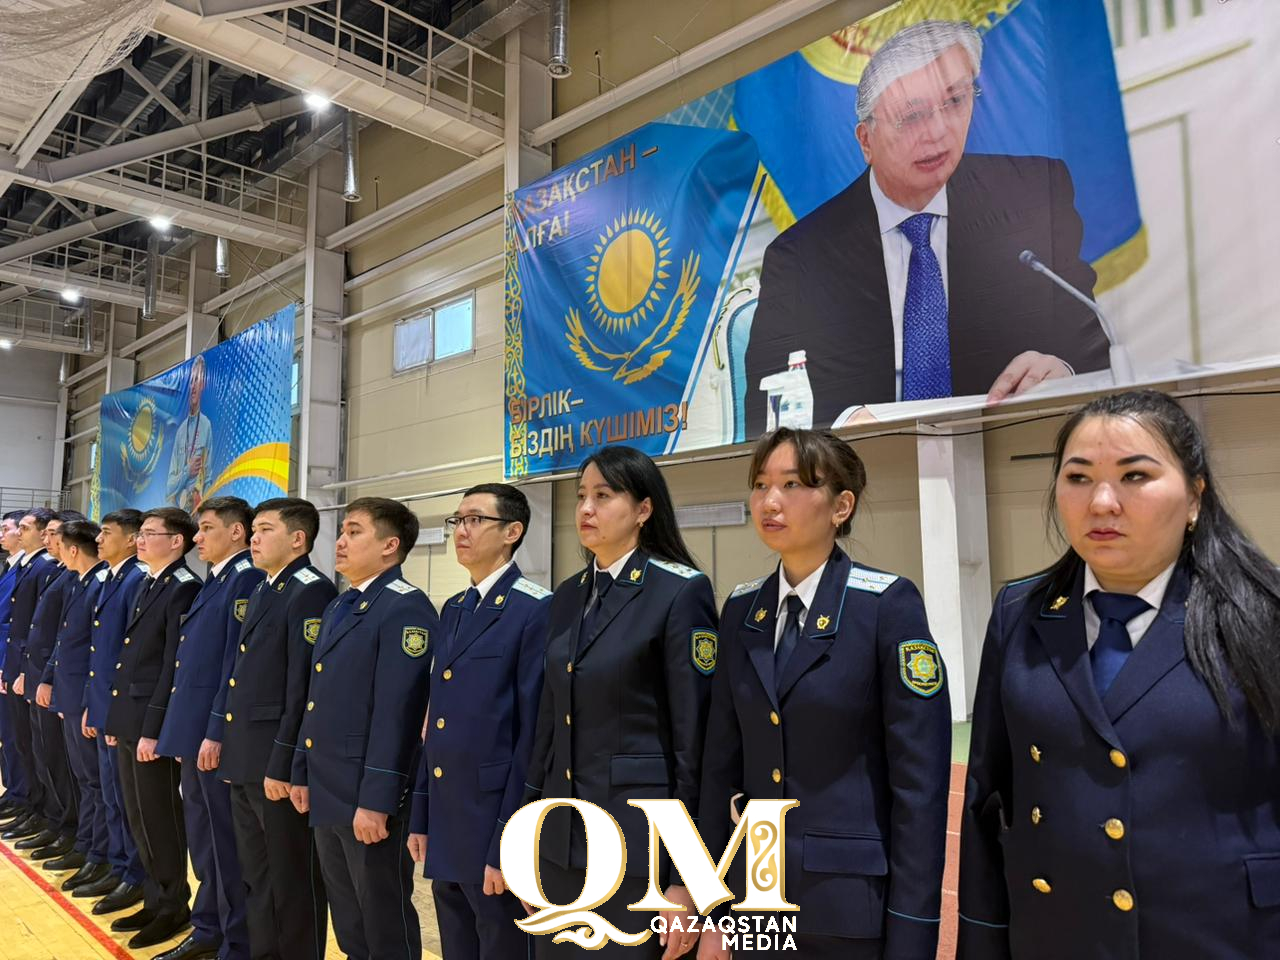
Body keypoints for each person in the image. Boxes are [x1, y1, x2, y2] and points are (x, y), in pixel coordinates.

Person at [958, 390, 1280, 960]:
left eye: (1135, 476)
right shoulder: (1020, 614)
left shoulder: (1261, 613)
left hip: (1223, 936)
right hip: (1057, 937)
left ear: (1194, 498)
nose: (1102, 502)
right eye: (1078, 478)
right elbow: (989, 799)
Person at [744, 19, 1110, 435]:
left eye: (955, 101)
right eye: (912, 115)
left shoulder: (1031, 197)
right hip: (865, 476)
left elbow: (1091, 350)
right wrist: (841, 428)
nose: (938, 132)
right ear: (866, 140)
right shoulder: (800, 258)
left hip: (1009, 452)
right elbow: (766, 411)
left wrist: (1061, 370)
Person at [698, 429, 951, 959]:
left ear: (841, 505)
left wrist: (912, 933)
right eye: (761, 484)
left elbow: (919, 787)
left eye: (792, 484)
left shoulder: (885, 606)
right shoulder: (742, 611)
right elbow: (719, 765)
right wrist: (712, 901)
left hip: (848, 904)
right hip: (755, 897)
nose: (770, 501)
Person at [523, 445, 719, 959]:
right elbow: (548, 727)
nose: (585, 508)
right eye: (581, 496)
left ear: (643, 509)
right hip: (561, 843)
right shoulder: (567, 595)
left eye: (604, 496)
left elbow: (693, 746)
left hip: (639, 852)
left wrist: (687, 879)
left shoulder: (678, 593)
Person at [289, 497, 437, 960]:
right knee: (349, 916)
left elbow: (400, 714)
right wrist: (301, 769)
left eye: (354, 531)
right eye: (342, 531)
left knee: (382, 917)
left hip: (366, 796)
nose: (340, 541)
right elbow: (314, 701)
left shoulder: (405, 608)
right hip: (328, 784)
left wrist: (377, 801)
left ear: (390, 545)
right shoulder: (342, 605)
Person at [408, 482, 550, 960]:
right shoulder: (455, 608)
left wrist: (509, 843)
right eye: (457, 520)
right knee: (457, 946)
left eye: (474, 520)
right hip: (449, 821)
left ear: (512, 531)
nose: (461, 531)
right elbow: (437, 724)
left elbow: (530, 737)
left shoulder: (536, 609)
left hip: (493, 821)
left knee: (502, 945)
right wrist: (422, 815)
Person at [220, 498, 334, 960]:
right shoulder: (267, 587)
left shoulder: (309, 591)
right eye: (254, 529)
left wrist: (285, 763)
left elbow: (300, 688)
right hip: (248, 755)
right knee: (258, 875)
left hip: (276, 761)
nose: (254, 537)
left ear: (298, 539)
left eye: (265, 529)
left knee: (293, 881)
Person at [154, 497, 262, 960]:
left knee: (225, 845)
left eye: (207, 529)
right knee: (204, 839)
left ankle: (233, 940)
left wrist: (214, 730)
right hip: (193, 731)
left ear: (237, 532)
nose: (197, 538)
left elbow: (233, 665)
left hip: (213, 736)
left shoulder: (246, 579)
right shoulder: (215, 581)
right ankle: (208, 925)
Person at [104, 507, 201, 950]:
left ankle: (174, 905)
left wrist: (154, 726)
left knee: (161, 816)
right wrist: (117, 717)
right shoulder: (150, 582)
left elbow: (169, 665)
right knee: (137, 814)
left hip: (152, 723)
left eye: (149, 534)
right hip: (131, 717)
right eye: (139, 534)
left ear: (177, 541)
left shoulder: (183, 587)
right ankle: (155, 894)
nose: (140, 541)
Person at [81, 509, 149, 911]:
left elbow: (129, 654)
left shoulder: (136, 579)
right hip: (105, 703)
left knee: (126, 799)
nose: (100, 540)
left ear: (131, 539)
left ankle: (133, 872)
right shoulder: (115, 577)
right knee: (110, 794)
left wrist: (113, 712)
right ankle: (118, 862)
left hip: (120, 709)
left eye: (107, 533)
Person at [40, 519, 110, 887]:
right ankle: (85, 843)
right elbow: (66, 637)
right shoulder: (81, 581)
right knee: (83, 777)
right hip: (70, 692)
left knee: (94, 781)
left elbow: (96, 649)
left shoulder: (99, 583)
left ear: (71, 549)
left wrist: (86, 702)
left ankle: (97, 852)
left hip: (84, 695)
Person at [19, 511, 81, 861]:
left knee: (65, 765)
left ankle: (67, 828)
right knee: (44, 754)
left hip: (64, 683)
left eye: (55, 533)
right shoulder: (59, 572)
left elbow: (66, 635)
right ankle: (50, 817)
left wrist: (48, 677)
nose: (50, 540)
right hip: (43, 674)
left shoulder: (75, 576)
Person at [1, 508, 61, 846]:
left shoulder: (43, 567)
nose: (19, 533)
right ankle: (27, 801)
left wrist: (21, 669)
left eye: (25, 527)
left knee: (40, 749)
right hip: (21, 665)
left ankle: (39, 807)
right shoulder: (29, 567)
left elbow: (35, 629)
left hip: (35, 670)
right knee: (21, 741)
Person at [0, 510, 33, 824]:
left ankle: (21, 793)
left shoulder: (31, 568)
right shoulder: (12, 566)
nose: (5, 534)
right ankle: (13, 789)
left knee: (16, 733)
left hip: (11, 660)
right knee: (7, 733)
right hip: (5, 658)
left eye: (10, 528)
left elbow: (13, 624)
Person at [167, 354, 213, 514]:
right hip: (178, 513)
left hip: (197, 512)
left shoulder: (206, 426)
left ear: (203, 385)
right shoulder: (181, 431)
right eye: (191, 381)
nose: (193, 386)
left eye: (197, 381)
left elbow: (209, 479)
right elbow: (169, 487)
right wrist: (187, 470)